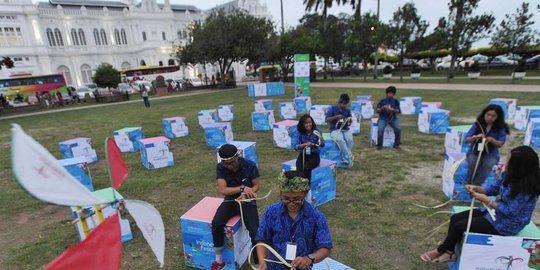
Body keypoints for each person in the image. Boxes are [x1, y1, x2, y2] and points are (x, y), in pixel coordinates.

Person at [421, 145, 540, 263]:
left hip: (508, 223)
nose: (505, 163)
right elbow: (493, 189)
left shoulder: (526, 189)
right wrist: (477, 188)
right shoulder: (507, 175)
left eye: (508, 161)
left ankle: (439, 250)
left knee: (460, 226)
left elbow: (510, 211)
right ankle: (449, 252)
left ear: (519, 167)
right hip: (495, 213)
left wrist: (487, 200)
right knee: (456, 218)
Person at [256, 171, 332, 270]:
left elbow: (326, 248)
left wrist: (309, 258)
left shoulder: (316, 217)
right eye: (286, 198)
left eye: (297, 199)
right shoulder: (271, 213)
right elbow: (262, 240)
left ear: (305, 194)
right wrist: (262, 262)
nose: (291, 204)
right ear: (280, 193)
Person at [211, 144, 261, 270]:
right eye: (226, 164)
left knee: (255, 231)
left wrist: (247, 195)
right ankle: (219, 259)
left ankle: (257, 263)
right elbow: (223, 190)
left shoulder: (249, 165)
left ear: (238, 157)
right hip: (230, 200)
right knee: (216, 223)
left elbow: (256, 185)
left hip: (247, 200)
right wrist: (242, 188)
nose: (229, 166)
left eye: (231, 162)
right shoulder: (220, 167)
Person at [464, 104, 509, 185]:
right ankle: (470, 183)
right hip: (474, 151)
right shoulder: (478, 124)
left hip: (491, 153)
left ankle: (476, 185)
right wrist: (475, 137)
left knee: (488, 165)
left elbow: (501, 143)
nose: (490, 117)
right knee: (473, 163)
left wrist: (492, 140)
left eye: (493, 116)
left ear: (498, 117)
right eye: (488, 115)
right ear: (484, 114)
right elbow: (466, 140)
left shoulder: (501, 127)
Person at [293, 114, 325, 181]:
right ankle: (300, 184)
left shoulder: (317, 131)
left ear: (312, 122)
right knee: (299, 168)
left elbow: (322, 145)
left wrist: (321, 141)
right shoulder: (299, 133)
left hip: (314, 155)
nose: (308, 124)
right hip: (303, 154)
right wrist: (304, 145)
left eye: (310, 122)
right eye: (306, 123)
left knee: (307, 168)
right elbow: (295, 146)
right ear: (302, 124)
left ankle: (308, 185)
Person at [325, 93, 354, 167]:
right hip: (335, 130)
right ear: (339, 102)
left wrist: (349, 121)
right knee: (341, 140)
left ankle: (348, 156)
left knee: (349, 139)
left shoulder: (347, 111)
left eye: (345, 104)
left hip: (345, 129)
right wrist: (336, 117)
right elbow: (327, 119)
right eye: (343, 103)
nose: (344, 105)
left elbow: (349, 123)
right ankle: (347, 157)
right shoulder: (332, 109)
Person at [375, 86, 402, 150]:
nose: (390, 94)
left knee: (398, 129)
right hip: (383, 118)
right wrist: (383, 108)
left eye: (392, 93)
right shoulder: (382, 101)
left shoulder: (396, 101)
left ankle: (396, 145)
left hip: (393, 118)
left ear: (394, 94)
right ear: (387, 93)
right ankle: (379, 145)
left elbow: (399, 111)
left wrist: (393, 110)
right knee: (380, 129)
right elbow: (376, 111)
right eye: (389, 93)